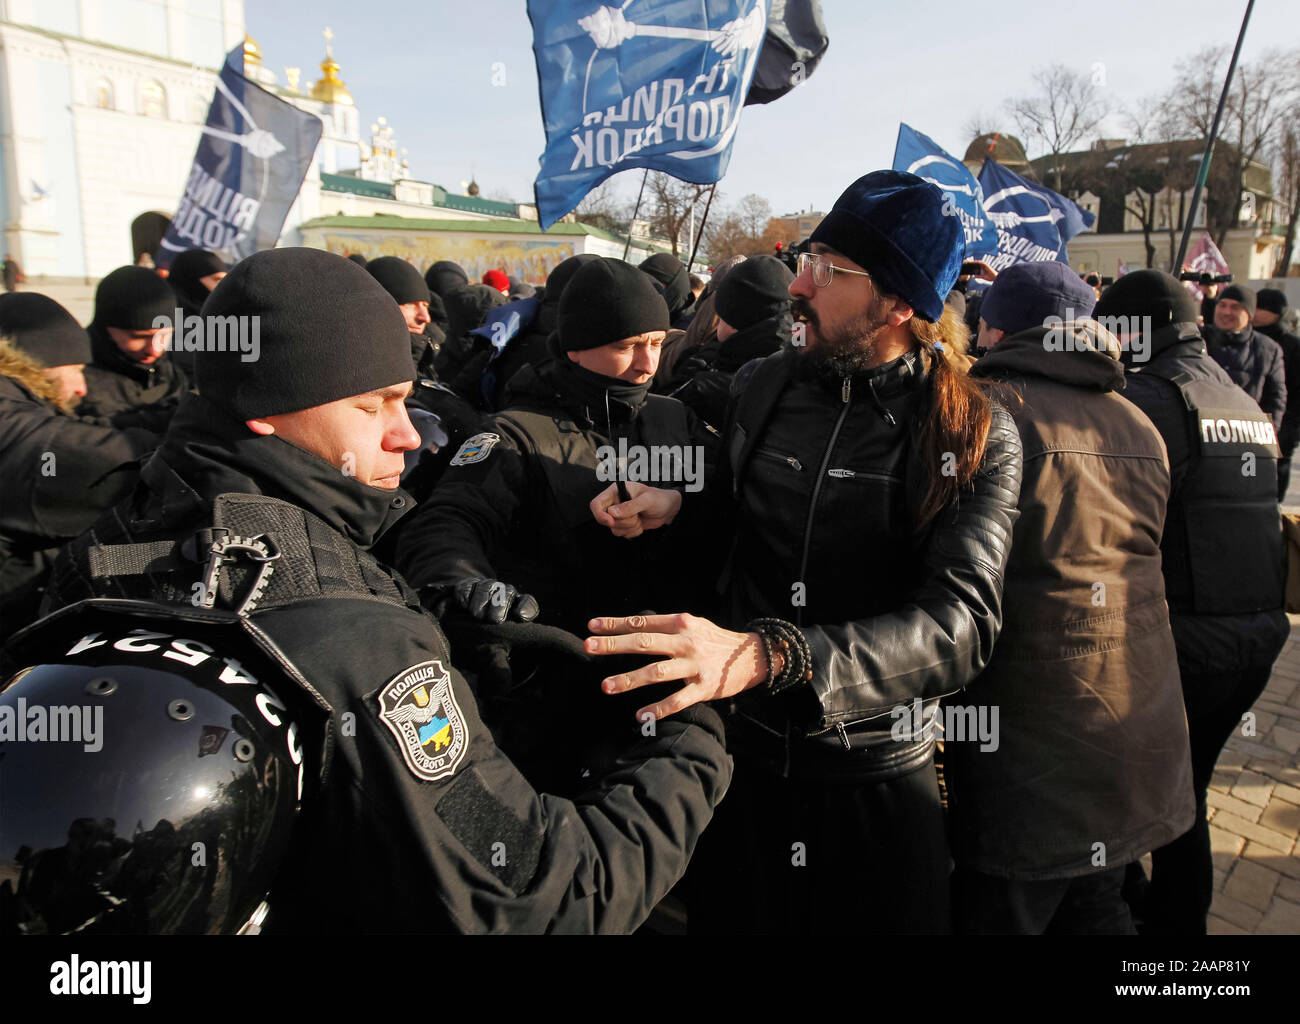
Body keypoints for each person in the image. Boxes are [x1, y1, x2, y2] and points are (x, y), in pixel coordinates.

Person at [34, 247, 731, 934]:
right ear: (267, 410)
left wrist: (683, 505)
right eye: (378, 406)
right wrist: (694, 735)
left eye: (654, 343)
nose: (408, 435)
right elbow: (540, 898)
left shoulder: (103, 546)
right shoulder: (352, 629)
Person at [582, 170, 1024, 934]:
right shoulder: (764, 382)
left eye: (828, 269)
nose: (799, 284)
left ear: (898, 303)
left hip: (872, 779)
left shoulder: (971, 431)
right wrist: (675, 503)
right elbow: (738, 504)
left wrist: (769, 656)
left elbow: (961, 627)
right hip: (742, 763)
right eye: (808, 258)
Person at [945, 262, 1194, 934]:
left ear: (994, 327)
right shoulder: (1138, 422)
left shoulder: (982, 409)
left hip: (1031, 739)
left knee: (1009, 914)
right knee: (1095, 901)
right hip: (1128, 719)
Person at [1096, 270, 1289, 934]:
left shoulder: (1149, 400)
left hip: (1185, 648)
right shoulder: (1241, 400)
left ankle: (1160, 932)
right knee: (1184, 797)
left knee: (1124, 798)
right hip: (1253, 643)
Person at [0, 293, 157, 633]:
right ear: (38, 361)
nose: (83, 387)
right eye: (76, 370)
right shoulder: (15, 431)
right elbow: (70, 454)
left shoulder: (15, 409)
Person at [665, 254, 793, 428]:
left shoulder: (705, 387)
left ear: (734, 322)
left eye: (721, 317)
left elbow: (657, 424)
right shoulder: (798, 373)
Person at [79, 266, 188, 431]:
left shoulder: (171, 364)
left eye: (165, 335)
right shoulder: (78, 376)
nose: (155, 350)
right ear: (105, 327)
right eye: (139, 337)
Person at [1204, 284, 1286, 432]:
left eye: (1235, 307)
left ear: (1250, 314)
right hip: (1201, 433)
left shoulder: (1267, 349)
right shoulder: (1197, 340)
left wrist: (1269, 439)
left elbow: (1275, 399)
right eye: (1222, 305)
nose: (1226, 312)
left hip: (1245, 437)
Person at [1253, 288, 1300, 499]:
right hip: (1247, 426)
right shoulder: (1246, 340)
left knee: (1273, 491)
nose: (1254, 311)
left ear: (1275, 312)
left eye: (1259, 307)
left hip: (1281, 429)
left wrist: (1289, 431)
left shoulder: (1292, 346)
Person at [366, 256, 439, 377]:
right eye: (410, 304)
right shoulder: (362, 373)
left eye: (425, 306)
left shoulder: (428, 359)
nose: (425, 317)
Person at [164, 248, 227, 376]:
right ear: (192, 280)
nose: (223, 287)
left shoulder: (220, 316)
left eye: (225, 280)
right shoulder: (168, 321)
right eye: (217, 280)